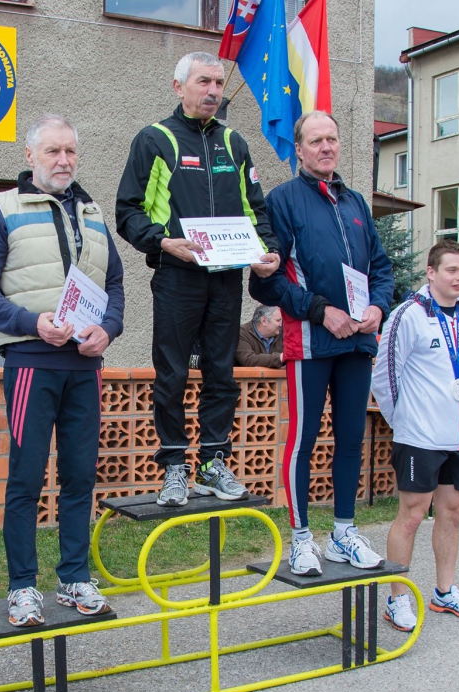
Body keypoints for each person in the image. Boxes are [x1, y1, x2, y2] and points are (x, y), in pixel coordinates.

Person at [0, 114, 125, 628]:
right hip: (32, 364)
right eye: (53, 151)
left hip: (85, 365)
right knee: (27, 479)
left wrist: (109, 329)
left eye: (70, 151)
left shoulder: (94, 213)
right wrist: (31, 323)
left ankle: (74, 577)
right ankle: (22, 587)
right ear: (30, 155)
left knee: (80, 476)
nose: (63, 160)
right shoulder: (3, 209)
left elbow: (115, 286)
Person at [116, 51, 280, 507]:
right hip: (177, 276)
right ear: (179, 86)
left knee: (221, 373)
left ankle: (212, 462)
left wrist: (267, 250)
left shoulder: (234, 142)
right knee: (171, 373)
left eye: (218, 83)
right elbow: (127, 211)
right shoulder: (156, 139)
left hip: (226, 278)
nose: (213, 91)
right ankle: (174, 465)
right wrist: (162, 242)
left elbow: (255, 209)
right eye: (203, 81)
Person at [249, 111, 393, 576]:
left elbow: (381, 268)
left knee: (350, 438)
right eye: (316, 141)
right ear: (299, 149)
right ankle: (301, 539)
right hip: (311, 341)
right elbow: (266, 283)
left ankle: (343, 534)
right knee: (303, 440)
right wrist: (320, 311)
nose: (326, 147)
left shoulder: (355, 202)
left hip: (357, 342)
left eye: (331, 138)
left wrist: (378, 307)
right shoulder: (282, 200)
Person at [372, 239, 459, 632]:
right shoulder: (408, 315)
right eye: (452, 270)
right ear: (432, 272)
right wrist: (404, 423)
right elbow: (384, 376)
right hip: (419, 436)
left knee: (452, 513)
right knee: (412, 515)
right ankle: (397, 599)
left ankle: (445, 591)